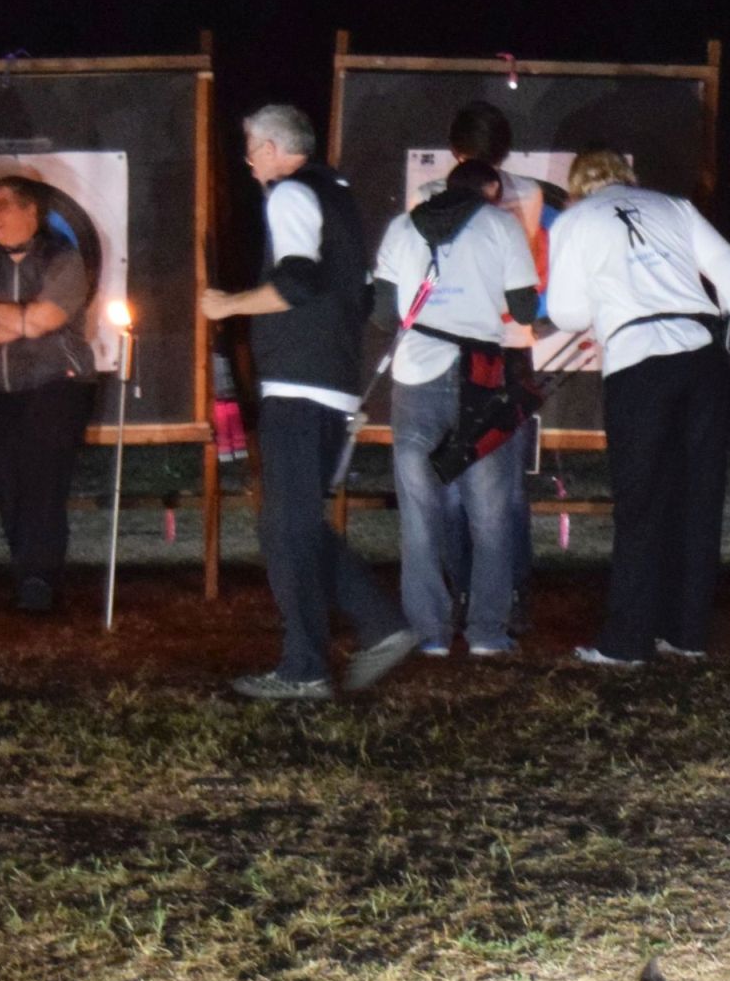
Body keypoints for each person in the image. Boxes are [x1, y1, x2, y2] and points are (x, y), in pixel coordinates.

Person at [201, 103, 416, 701]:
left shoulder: (291, 194)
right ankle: (376, 627)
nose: (248, 164)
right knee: (290, 526)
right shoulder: (338, 196)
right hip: (329, 381)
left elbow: (297, 281)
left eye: (251, 150)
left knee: (285, 529)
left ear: (273, 149)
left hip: (299, 385)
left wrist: (228, 305)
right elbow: (357, 294)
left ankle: (309, 667)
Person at [542, 147, 730, 666]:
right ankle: (687, 631)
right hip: (702, 354)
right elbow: (727, 263)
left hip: (638, 364)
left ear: (577, 186)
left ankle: (627, 640)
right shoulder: (673, 205)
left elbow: (566, 312)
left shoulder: (573, 221)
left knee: (641, 502)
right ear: (627, 175)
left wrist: (606, 303)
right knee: (698, 496)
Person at [368, 115, 539, 657]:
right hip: (481, 378)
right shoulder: (501, 227)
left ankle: (430, 632)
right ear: (490, 190)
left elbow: (381, 314)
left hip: (415, 377)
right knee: (490, 513)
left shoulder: (402, 227)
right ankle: (487, 632)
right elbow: (524, 307)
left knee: (420, 515)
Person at [0, 177, 95, 613]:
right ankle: (28, 570)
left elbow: (45, 320)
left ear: (31, 211)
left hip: (55, 384)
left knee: (43, 479)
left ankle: (39, 578)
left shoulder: (63, 258)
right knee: (7, 481)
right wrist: (19, 321)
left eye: (2, 205)